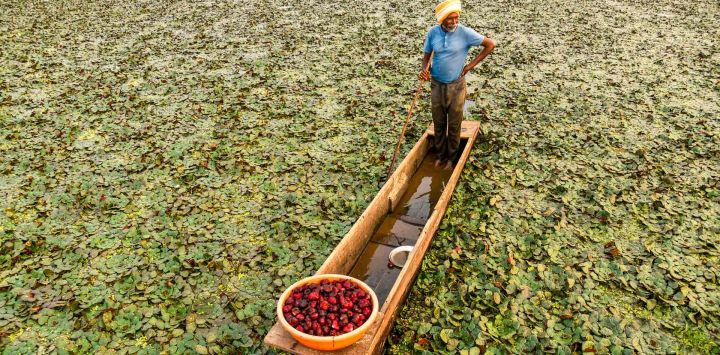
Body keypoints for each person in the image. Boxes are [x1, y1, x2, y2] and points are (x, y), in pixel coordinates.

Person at [419, 0, 496, 169]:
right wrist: (425, 68)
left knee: (454, 125)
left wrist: (469, 66)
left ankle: (452, 160)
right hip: (437, 84)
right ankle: (440, 155)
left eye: (456, 18)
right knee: (438, 123)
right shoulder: (433, 33)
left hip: (457, 85)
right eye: (450, 19)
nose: (454, 22)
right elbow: (427, 54)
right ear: (442, 19)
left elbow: (490, 45)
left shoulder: (465, 33)